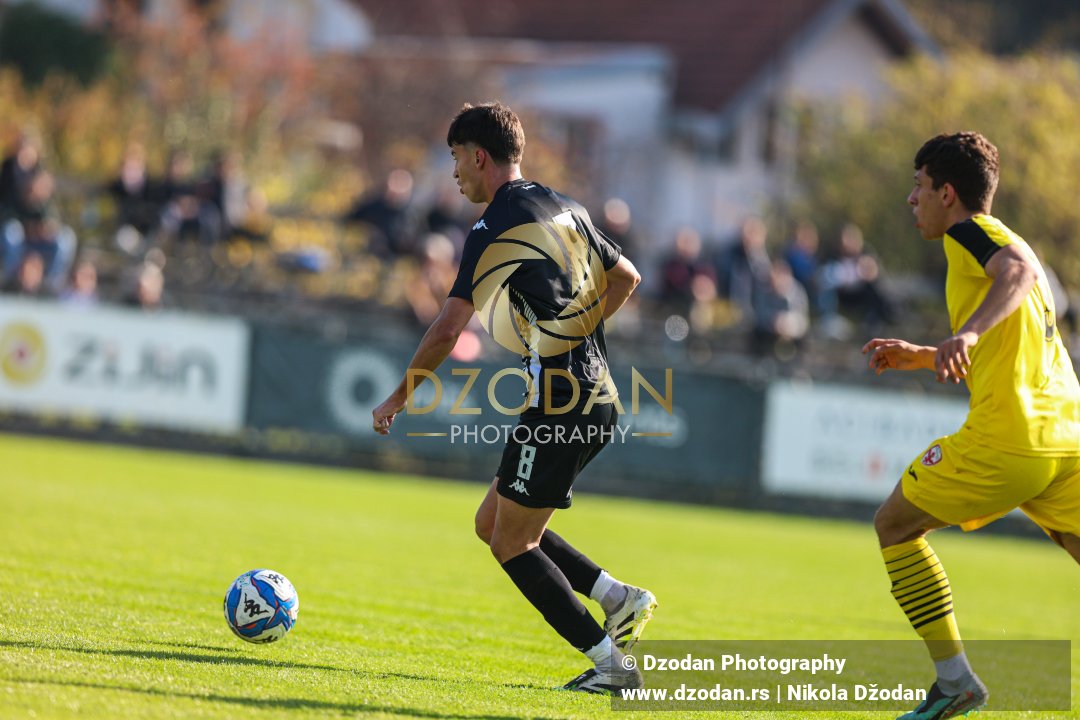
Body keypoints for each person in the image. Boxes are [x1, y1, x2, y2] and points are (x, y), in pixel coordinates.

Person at [371, 102, 655, 694]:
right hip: (595, 393)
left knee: (511, 542)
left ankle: (612, 666)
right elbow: (627, 276)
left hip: (561, 401)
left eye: (456, 159)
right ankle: (617, 598)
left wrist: (399, 396)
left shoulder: (493, 225)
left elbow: (447, 329)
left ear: (479, 156)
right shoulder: (567, 206)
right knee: (492, 522)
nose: (454, 174)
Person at [863, 131, 1080, 720]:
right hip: (1065, 437)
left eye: (919, 186)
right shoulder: (1012, 239)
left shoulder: (970, 234)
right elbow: (1017, 324)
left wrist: (967, 334)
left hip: (1011, 440)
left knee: (895, 525)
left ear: (948, 193)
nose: (912, 199)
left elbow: (1016, 276)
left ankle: (955, 682)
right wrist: (926, 354)